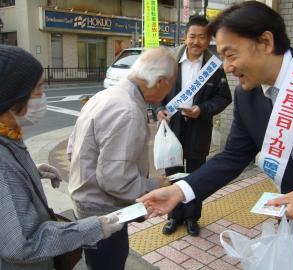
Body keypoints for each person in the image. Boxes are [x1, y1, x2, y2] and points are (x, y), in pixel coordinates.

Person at [138, 2, 293, 270]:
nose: (227, 67)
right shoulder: (247, 96)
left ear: (265, 41)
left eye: (230, 55)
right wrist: (180, 190)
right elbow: (233, 156)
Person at [0, 44, 123, 270]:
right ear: (12, 97)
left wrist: (32, 172)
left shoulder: (8, 134)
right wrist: (93, 228)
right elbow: (22, 245)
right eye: (38, 88)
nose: (43, 96)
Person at [67, 46, 176, 270]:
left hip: (86, 200)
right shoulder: (128, 111)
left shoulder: (103, 96)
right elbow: (115, 180)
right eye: (171, 85)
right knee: (109, 262)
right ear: (160, 82)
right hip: (103, 210)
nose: (169, 91)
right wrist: (155, 185)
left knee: (96, 262)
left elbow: (71, 148)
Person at [156, 15, 232, 237]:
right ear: (185, 36)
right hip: (173, 128)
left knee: (196, 176)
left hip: (199, 129)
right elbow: (157, 88)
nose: (197, 42)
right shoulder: (169, 61)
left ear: (209, 39)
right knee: (173, 174)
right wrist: (158, 109)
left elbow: (224, 97)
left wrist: (203, 109)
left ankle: (191, 218)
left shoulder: (214, 66)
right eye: (193, 36)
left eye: (202, 37)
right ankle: (174, 216)